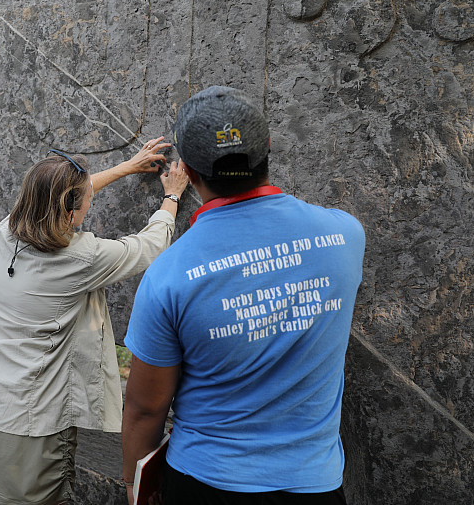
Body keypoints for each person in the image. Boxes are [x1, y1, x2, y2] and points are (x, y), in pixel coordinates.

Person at [121, 86, 365, 505]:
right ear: (268, 147)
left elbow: (145, 409)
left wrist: (134, 485)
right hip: (314, 484)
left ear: (189, 172)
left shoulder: (169, 276)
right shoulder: (345, 235)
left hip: (204, 482)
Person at [0, 138, 190, 505]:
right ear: (70, 213)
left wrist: (128, 166)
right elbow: (148, 248)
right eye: (86, 201)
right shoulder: (79, 256)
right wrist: (172, 196)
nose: (90, 201)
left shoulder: (7, 230)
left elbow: (57, 196)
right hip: (30, 427)